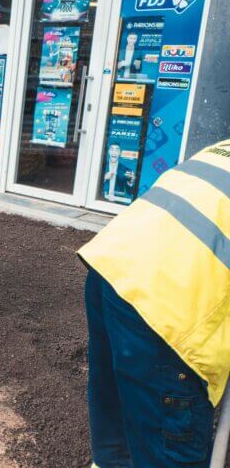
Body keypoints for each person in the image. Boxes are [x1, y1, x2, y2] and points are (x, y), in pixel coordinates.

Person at [77, 139, 230, 467]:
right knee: (165, 446)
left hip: (113, 266)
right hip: (166, 309)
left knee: (116, 435)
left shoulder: (222, 148)